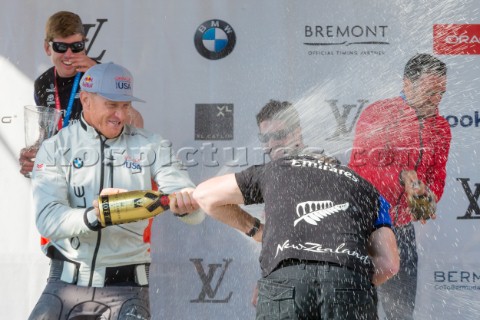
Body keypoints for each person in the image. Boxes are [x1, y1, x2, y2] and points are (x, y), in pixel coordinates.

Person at [28, 62, 204, 319]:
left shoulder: (153, 145)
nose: (120, 115)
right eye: (112, 105)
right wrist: (97, 215)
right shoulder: (56, 147)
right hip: (65, 283)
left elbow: (194, 213)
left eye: (125, 105)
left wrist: (187, 208)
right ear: (85, 100)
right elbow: (48, 220)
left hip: (127, 287)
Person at [194, 103, 400, 319]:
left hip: (284, 285)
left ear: (297, 132)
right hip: (349, 282)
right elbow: (389, 264)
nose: (272, 143)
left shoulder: (275, 171)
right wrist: (350, 282)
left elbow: (204, 195)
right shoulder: (366, 188)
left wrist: (256, 231)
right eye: (266, 139)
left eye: (280, 135)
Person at [348, 53, 451, 319]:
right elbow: (361, 172)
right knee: (358, 308)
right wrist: (404, 178)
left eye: (441, 92)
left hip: (402, 231)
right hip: (365, 227)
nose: (436, 99)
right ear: (407, 85)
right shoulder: (379, 113)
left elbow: (437, 177)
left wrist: (427, 198)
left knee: (401, 311)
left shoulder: (441, 128)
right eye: (430, 91)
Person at [19, 11, 143, 177]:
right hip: (60, 176)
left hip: (98, 172)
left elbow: (136, 124)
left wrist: (98, 75)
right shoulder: (42, 82)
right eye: (61, 47)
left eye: (76, 47)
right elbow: (47, 136)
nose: (69, 54)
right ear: (47, 48)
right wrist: (34, 154)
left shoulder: (102, 75)